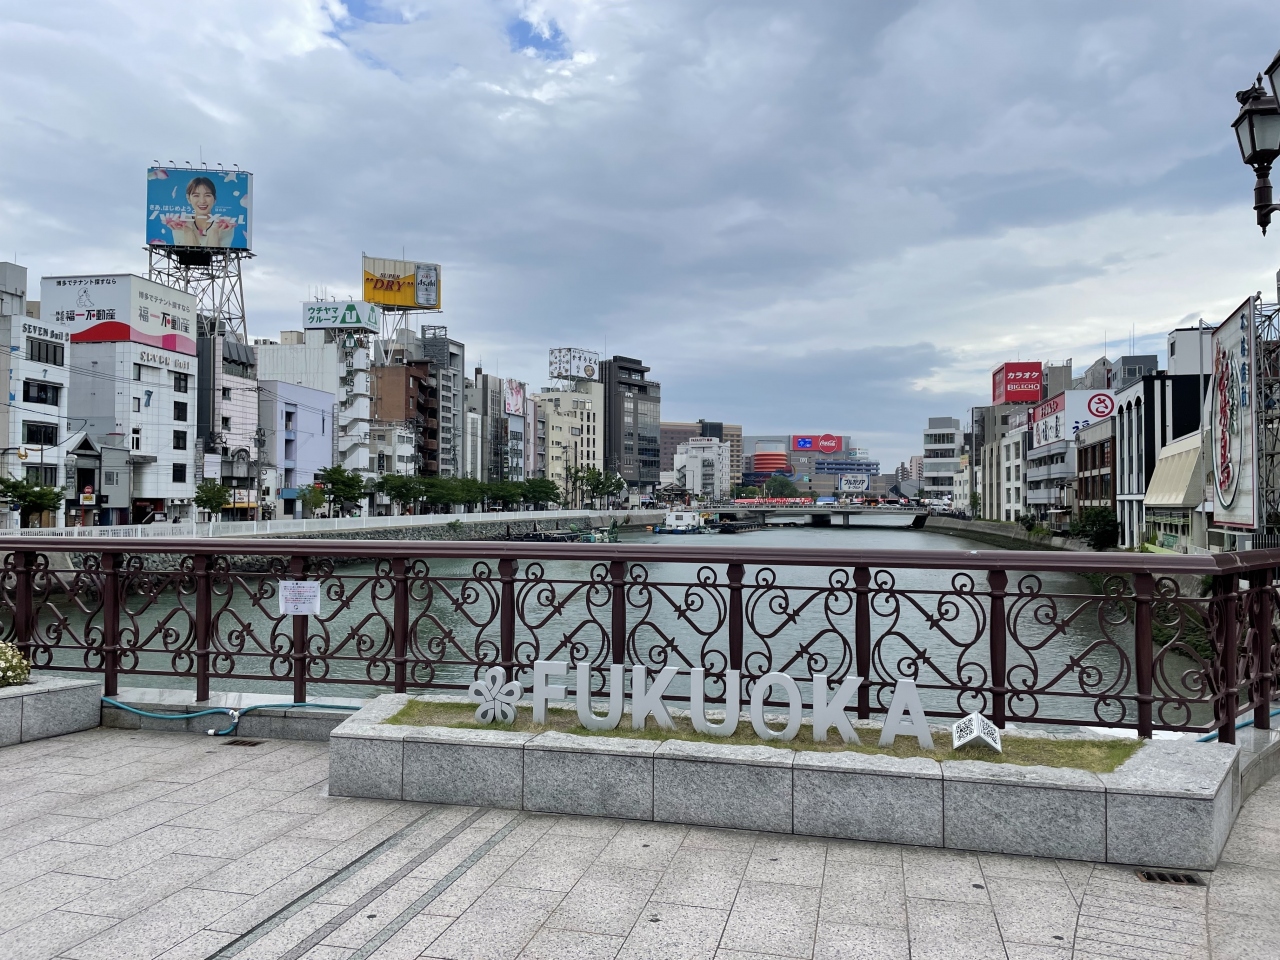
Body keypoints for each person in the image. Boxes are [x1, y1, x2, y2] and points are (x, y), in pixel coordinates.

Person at [162, 176, 236, 247]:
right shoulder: (180, 222)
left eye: (207, 195)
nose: (202, 201)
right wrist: (188, 230)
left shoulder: (224, 225)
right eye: (196, 195)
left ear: (214, 199)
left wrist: (214, 231)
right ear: (188, 199)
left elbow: (216, 254)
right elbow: (187, 254)